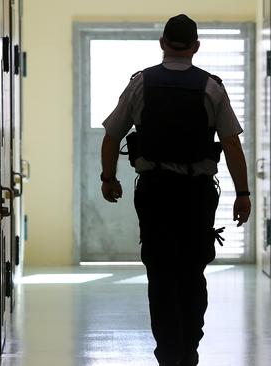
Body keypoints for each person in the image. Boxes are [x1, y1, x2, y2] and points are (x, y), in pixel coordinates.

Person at [99, 14, 251, 366]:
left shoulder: (141, 84)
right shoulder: (211, 87)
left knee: (160, 271)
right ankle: (189, 349)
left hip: (154, 192)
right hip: (197, 195)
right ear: (196, 47)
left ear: (162, 44)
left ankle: (168, 352)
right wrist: (242, 194)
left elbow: (111, 136)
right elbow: (231, 144)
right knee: (192, 270)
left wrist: (109, 177)